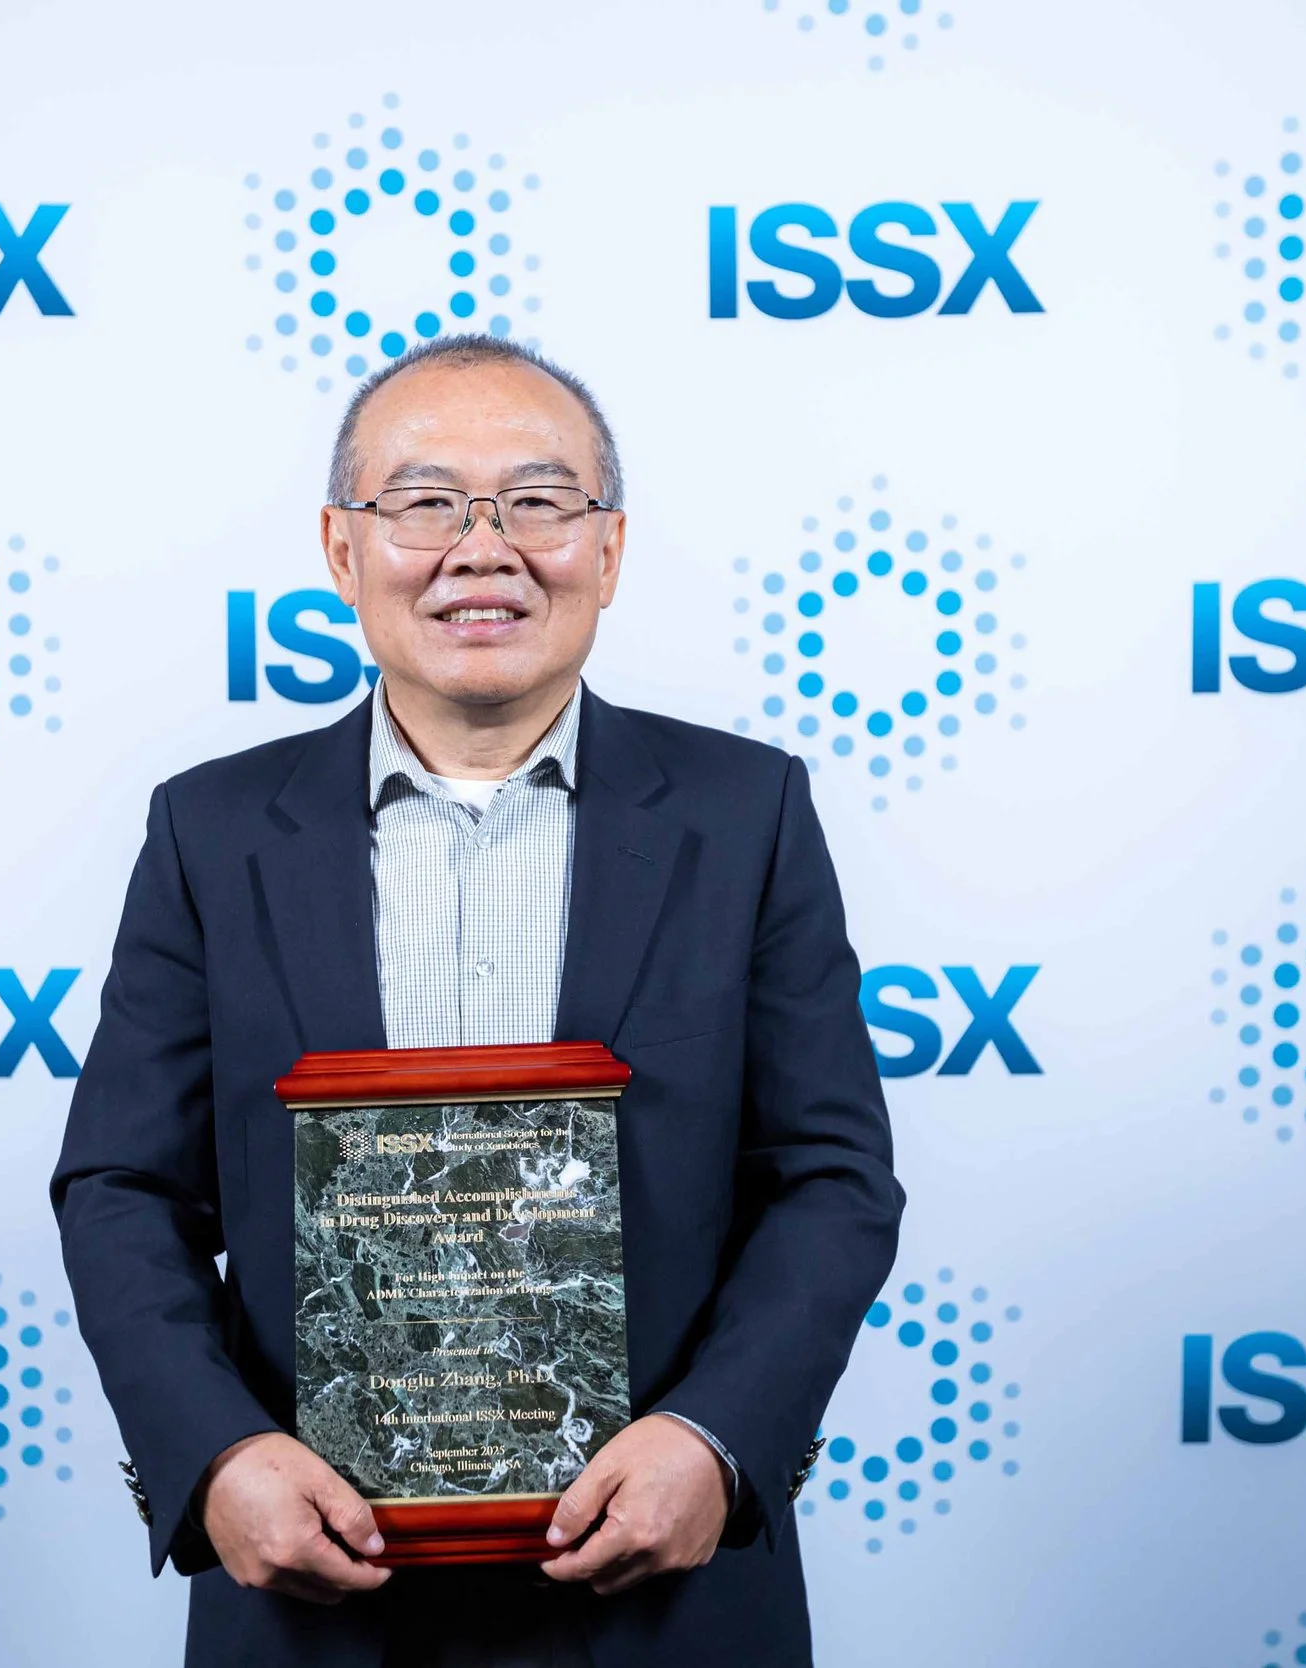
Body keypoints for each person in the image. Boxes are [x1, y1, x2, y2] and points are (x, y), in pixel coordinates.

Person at [52, 333, 903, 1667]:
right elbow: (121, 1191)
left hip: (664, 1607)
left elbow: (832, 1176)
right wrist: (216, 1460)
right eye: (426, 501)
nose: (483, 545)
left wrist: (714, 1440)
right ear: (343, 549)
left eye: (540, 502)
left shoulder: (748, 818)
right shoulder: (210, 835)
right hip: (315, 1602)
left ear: (608, 550)